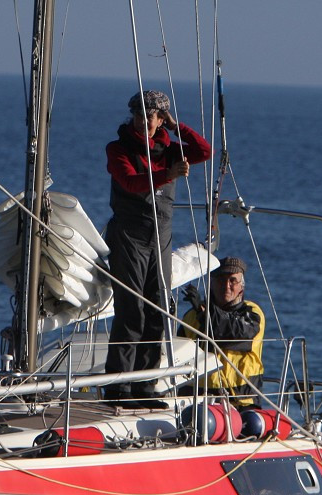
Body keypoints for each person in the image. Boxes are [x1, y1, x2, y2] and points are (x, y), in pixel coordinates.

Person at [103, 89, 212, 409]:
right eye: (138, 115)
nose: (142, 122)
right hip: (129, 236)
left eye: (149, 117)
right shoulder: (118, 148)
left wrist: (178, 128)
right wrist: (169, 174)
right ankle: (117, 385)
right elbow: (131, 182)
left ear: (161, 119)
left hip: (160, 237)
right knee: (130, 311)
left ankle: (146, 384)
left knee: (158, 309)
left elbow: (205, 150)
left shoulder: (170, 149)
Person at [179, 257, 265, 407]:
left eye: (233, 281)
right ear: (211, 284)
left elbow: (230, 332)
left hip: (241, 401)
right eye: (220, 280)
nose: (227, 286)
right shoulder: (191, 316)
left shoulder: (252, 313)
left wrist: (202, 310)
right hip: (195, 399)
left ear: (242, 287)